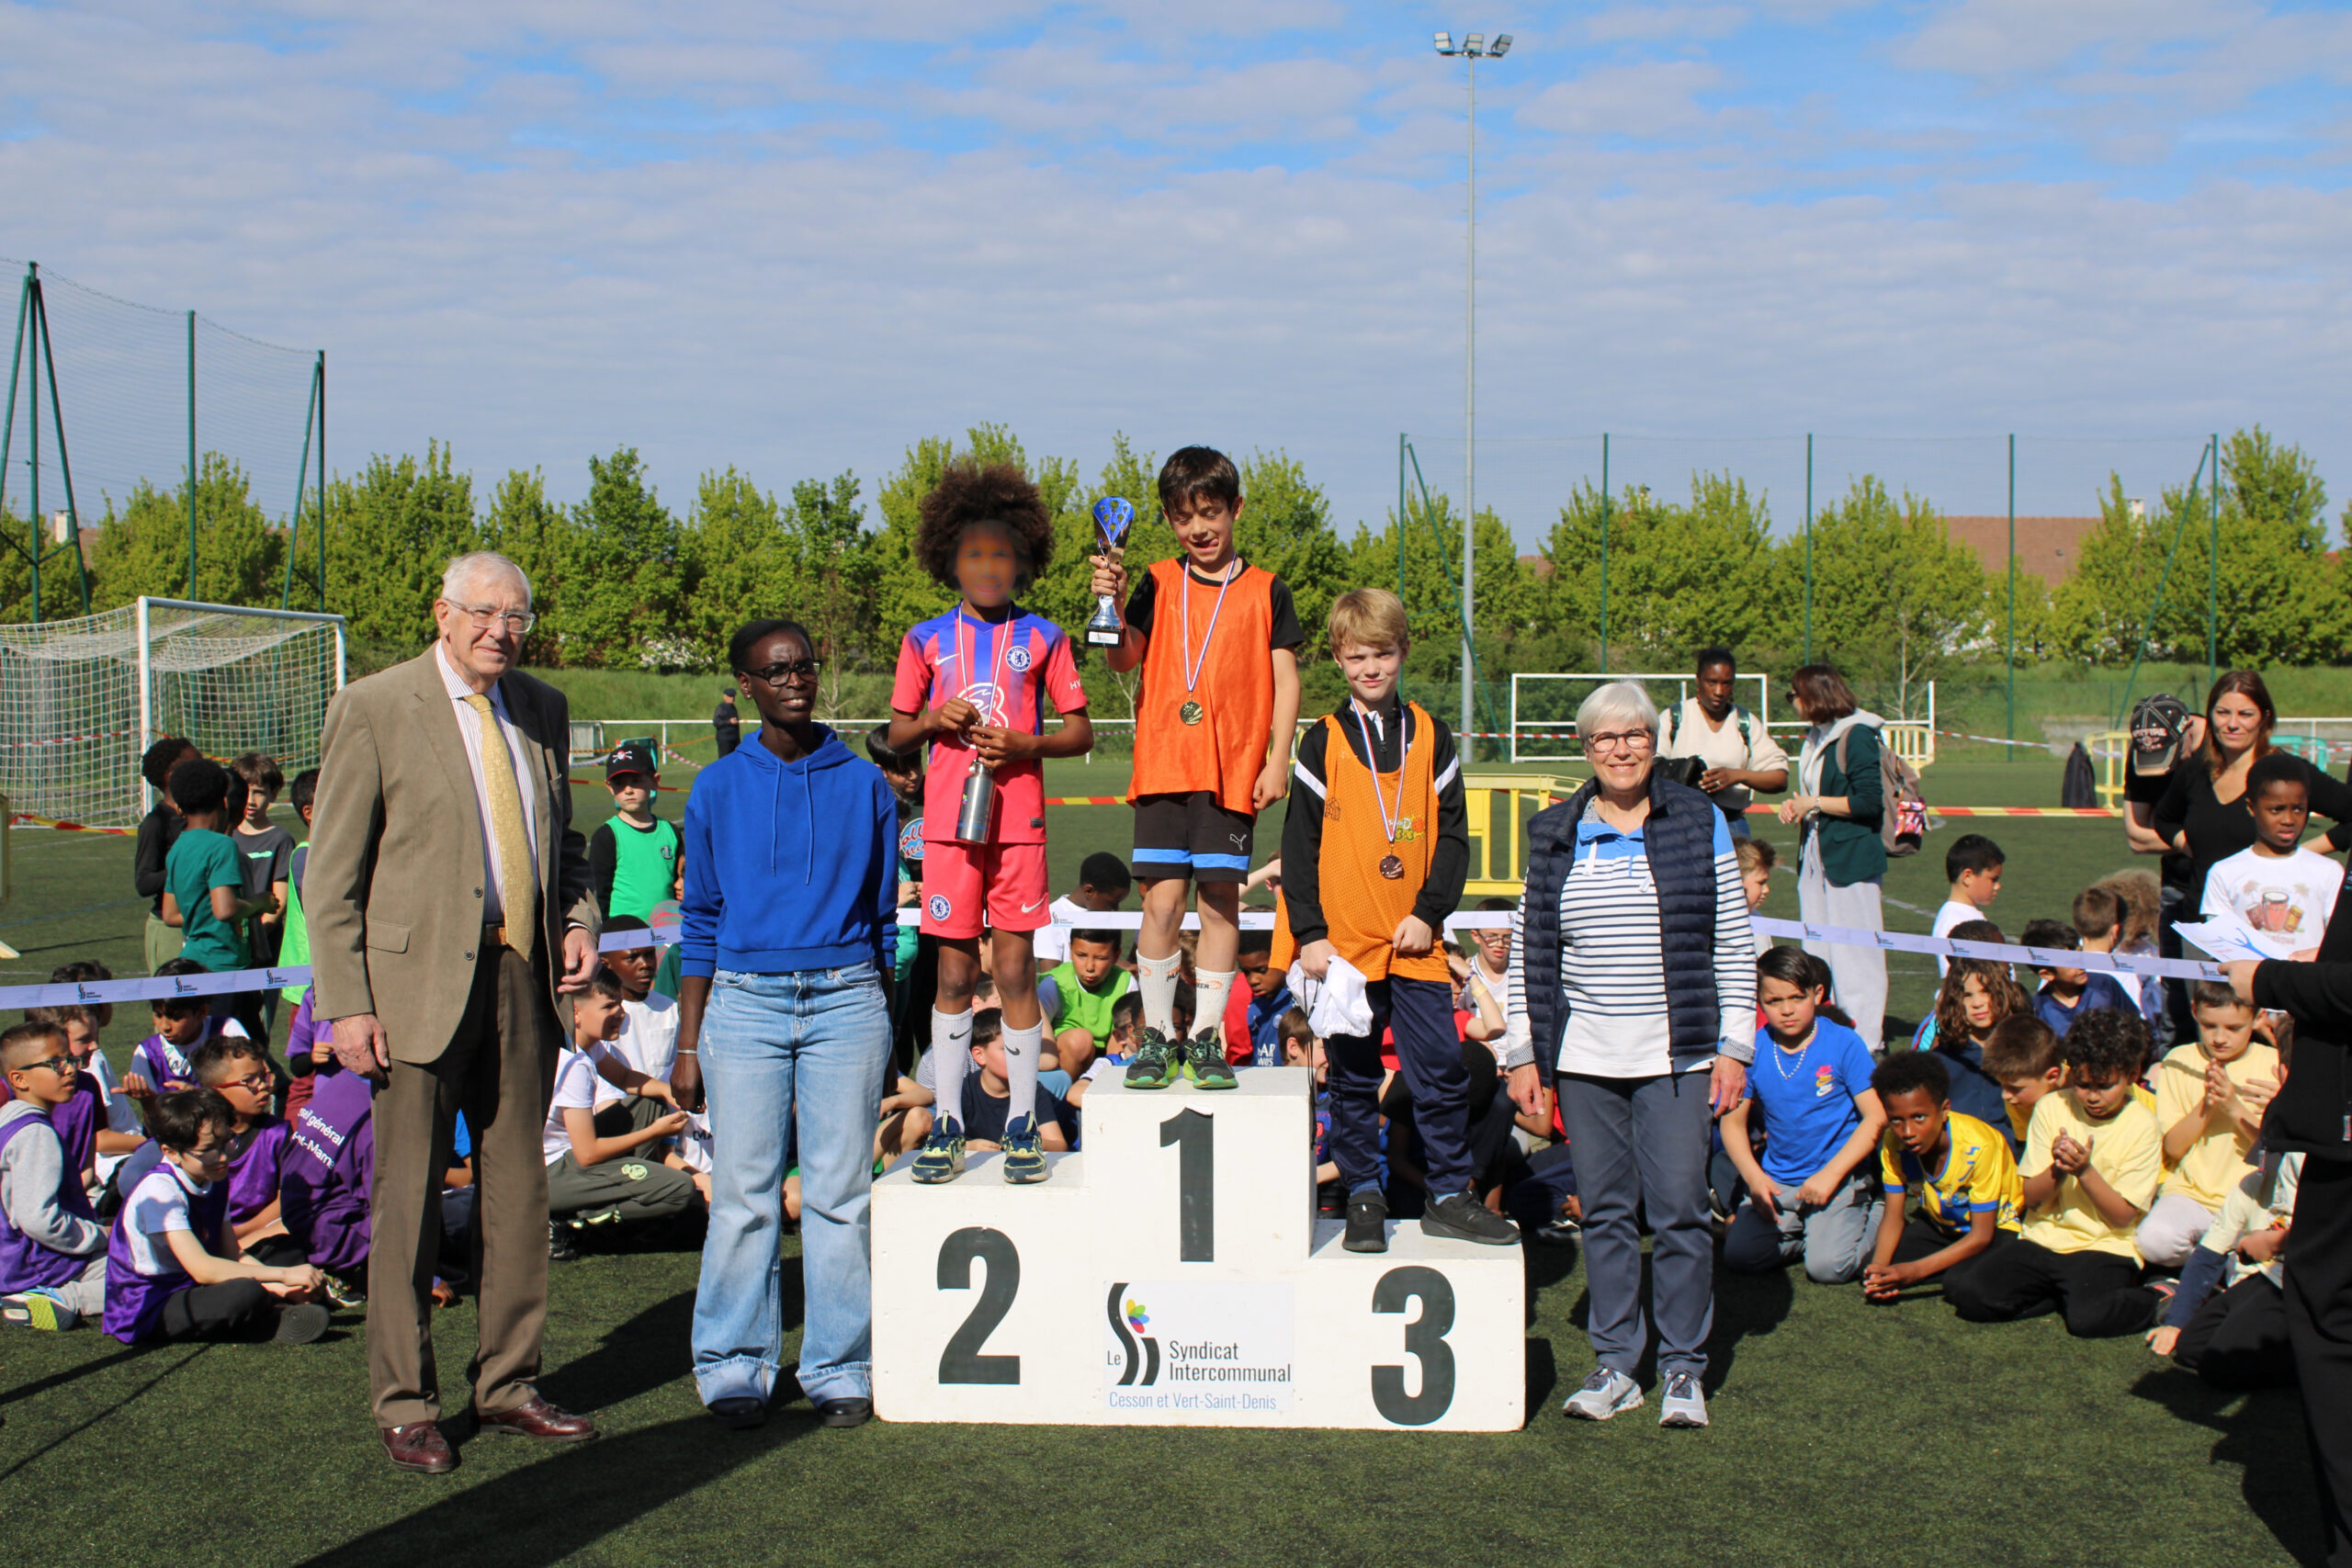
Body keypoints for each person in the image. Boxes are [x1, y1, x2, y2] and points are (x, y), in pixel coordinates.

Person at [305, 549, 605, 1473]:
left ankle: (508, 1384)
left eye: (515, 616)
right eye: (482, 612)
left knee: (518, 1192)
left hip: (522, 978)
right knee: (407, 1200)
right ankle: (406, 1403)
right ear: (442, 614)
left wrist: (579, 919)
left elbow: (562, 845)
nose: (499, 631)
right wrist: (347, 1005)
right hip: (411, 993)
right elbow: (332, 874)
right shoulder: (374, 705)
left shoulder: (543, 708)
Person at [1504, 680, 1753, 1427]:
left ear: (1654, 741)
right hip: (1584, 1057)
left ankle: (1682, 1366)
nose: (1622, 749)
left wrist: (1736, 1045)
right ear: (1586, 748)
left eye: (1635, 735)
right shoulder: (1554, 830)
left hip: (1679, 1054)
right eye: (1606, 738)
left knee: (1680, 1209)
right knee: (1607, 1212)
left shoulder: (1698, 819)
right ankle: (1616, 1362)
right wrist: (1523, 1051)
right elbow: (1530, 950)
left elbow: (1732, 940)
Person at [672, 617, 898, 1431]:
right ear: (747, 685)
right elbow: (700, 921)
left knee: (842, 1193)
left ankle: (839, 1363)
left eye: (804, 664)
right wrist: (688, 1042)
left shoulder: (865, 783)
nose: (795, 679)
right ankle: (734, 1361)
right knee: (743, 1192)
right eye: (777, 670)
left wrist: (884, 1021)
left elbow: (883, 920)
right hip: (742, 1004)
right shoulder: (715, 788)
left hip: (848, 999)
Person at [1277, 589, 1508, 1250]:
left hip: (1414, 942)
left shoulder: (1432, 735)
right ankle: (1362, 1195)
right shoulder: (1322, 740)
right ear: (1338, 659)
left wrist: (1429, 912)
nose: (1370, 668)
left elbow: (1455, 837)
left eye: (1382, 653)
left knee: (1439, 1070)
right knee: (1351, 1077)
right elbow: (1299, 843)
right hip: (1345, 947)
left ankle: (1449, 1193)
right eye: (1357, 657)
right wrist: (1311, 933)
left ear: (1403, 651)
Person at [886, 461, 1092, 1188]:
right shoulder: (924, 638)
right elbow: (896, 732)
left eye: (1001, 553)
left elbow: (1080, 730)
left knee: (1013, 970)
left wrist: (1028, 743)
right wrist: (931, 719)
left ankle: (1022, 1124)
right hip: (949, 827)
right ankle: (946, 1121)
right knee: (952, 970)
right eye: (973, 553)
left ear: (1022, 560)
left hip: (1017, 825)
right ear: (950, 559)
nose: (987, 566)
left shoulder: (1045, 636)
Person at [1093, 445, 1304, 1079]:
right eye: (1184, 518)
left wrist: (1278, 759)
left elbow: (1286, 681)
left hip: (1230, 772)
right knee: (1160, 905)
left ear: (1235, 508)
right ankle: (1158, 1037)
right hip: (1163, 764)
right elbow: (1122, 658)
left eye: (1210, 513)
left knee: (1218, 903)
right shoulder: (1157, 579)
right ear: (1167, 519)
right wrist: (1112, 605)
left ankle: (1207, 1037)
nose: (1199, 529)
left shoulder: (1267, 590)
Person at [1943, 1007, 2164, 1337]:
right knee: (1967, 1293)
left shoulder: (2143, 1125)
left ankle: (2158, 1296)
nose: (2092, 1096)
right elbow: (2032, 1198)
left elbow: (2122, 1218)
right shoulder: (2051, 1106)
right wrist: (2058, 1169)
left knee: (2088, 1321)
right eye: (2083, 1084)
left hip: (2104, 1246)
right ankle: (2060, 1294)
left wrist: (2084, 1171)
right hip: (2043, 1238)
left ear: (2132, 1074)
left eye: (2104, 1086)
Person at [102, 1088, 328, 1346]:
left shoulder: (214, 1177)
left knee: (287, 1251)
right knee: (246, 1291)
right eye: (208, 1150)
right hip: (151, 1304)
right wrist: (283, 1277)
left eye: (227, 1142)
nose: (223, 1157)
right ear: (171, 1152)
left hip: (192, 1284)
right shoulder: (160, 1190)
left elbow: (231, 1253)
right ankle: (264, 1317)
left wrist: (283, 1286)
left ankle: (272, 1306)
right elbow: (203, 1269)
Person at [2154, 670, 2352, 963]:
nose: (2232, 724)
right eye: (2222, 712)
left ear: (2265, 718)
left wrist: (2301, 854)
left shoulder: (2286, 772)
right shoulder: (2197, 770)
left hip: (2273, 941)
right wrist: (2190, 845)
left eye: (2245, 714)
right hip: (2204, 930)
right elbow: (2163, 819)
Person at [1719, 947, 1886, 1283]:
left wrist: (1831, 1175)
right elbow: (1732, 1123)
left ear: (1817, 993)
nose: (1787, 1010)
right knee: (1740, 1255)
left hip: (1838, 1178)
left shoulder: (1844, 1042)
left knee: (1828, 1268)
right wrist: (1755, 1178)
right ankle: (1813, 1233)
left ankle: (1879, 1210)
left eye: (1797, 997)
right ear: (1759, 1001)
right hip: (1779, 1180)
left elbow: (1876, 1117)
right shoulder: (1753, 1047)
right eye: (1774, 1001)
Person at [1776, 663, 1887, 1050]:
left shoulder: (1857, 734)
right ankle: (1828, 1029)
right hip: (1815, 855)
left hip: (1851, 857)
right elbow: (1815, 795)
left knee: (1857, 952)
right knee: (1818, 948)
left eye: (1794, 695)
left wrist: (1815, 803)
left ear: (1814, 695)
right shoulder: (1816, 735)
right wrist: (1800, 806)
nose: (1792, 702)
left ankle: (1867, 1039)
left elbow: (1869, 801)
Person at [545, 969, 695, 1251]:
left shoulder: (583, 1044)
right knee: (679, 1188)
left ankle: (623, 1188)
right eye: (608, 1006)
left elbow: (625, 1078)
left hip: (566, 1158)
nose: (621, 1013)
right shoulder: (574, 1064)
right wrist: (654, 1132)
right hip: (551, 1174)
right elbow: (587, 1154)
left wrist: (670, 1092)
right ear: (575, 1013)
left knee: (649, 1103)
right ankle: (570, 1219)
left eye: (619, 1004)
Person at [2138, 980, 2280, 1267]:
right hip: (2192, 1196)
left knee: (2259, 1260)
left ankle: (2212, 1269)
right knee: (2154, 1241)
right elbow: (2174, 1148)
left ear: (2257, 1018)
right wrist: (2208, 1104)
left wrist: (2234, 1107)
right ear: (2194, 1011)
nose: (2219, 1038)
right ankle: (2214, 1269)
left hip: (2253, 1200)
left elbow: (2274, 1152)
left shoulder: (2273, 1063)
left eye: (2233, 1028)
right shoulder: (2179, 1060)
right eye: (2209, 1025)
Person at [1860, 1051, 2022, 1303]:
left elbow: (1981, 1235)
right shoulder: (1893, 1143)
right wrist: (1880, 1269)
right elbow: (1893, 1217)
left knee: (1961, 1285)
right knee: (1868, 1267)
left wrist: (1914, 1272)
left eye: (1919, 1117)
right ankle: (1947, 1264)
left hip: (1995, 1231)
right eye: (1896, 1120)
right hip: (1941, 1227)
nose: (1908, 1132)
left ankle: (1957, 1267)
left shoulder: (1979, 1146)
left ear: (1944, 1109)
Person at [2148, 1150, 2300, 1390]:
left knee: (2221, 1368)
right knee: (2191, 1348)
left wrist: (2273, 1243)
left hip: (2297, 1286)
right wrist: (2176, 1322)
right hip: (2261, 1280)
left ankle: (2311, 1361)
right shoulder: (2254, 1182)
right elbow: (2210, 1253)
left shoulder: (2323, 1184)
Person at [161, 756, 277, 1043]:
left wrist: (203, 912)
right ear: (225, 801)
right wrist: (260, 902)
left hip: (193, 962)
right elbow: (225, 909)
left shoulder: (178, 847)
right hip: (226, 967)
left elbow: (170, 914)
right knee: (242, 1051)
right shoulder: (222, 846)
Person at [0, 1022, 108, 1329]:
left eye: (70, 1060)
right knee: (150, 1267)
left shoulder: (9, 1120)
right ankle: (63, 1298)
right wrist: (99, 1235)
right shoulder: (35, 1134)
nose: (70, 1069)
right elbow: (39, 1220)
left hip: (14, 1259)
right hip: (38, 1264)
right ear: (19, 1079)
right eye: (55, 1063)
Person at [2201, 751, 2339, 961]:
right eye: (2276, 810)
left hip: (2306, 981)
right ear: (2251, 807)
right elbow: (2218, 946)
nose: (2288, 820)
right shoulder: (2224, 872)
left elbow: (2339, 944)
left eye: (2298, 809)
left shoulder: (2329, 871)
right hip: (2248, 982)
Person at [1657, 645, 1787, 835]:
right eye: (1712, 682)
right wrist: (1684, 776)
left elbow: (1780, 778)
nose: (1719, 691)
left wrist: (1737, 775)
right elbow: (1648, 769)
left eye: (1726, 683)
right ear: (1698, 680)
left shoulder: (1745, 722)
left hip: (1731, 825)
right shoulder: (1674, 718)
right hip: (1680, 824)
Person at [913, 1008, 1077, 1154]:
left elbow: (1059, 1144)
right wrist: (967, 1147)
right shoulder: (964, 1091)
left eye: (1020, 1048)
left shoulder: (1033, 1090)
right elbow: (934, 1142)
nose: (1017, 1056)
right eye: (1007, 1049)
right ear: (979, 1055)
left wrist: (1029, 1142)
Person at [1913, 952, 2032, 1153]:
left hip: (2014, 1158)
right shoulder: (1942, 1059)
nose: (1977, 1003)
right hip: (1960, 1160)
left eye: (1986, 991)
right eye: (1967, 995)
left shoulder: (2024, 1048)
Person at [189, 1034, 291, 1257]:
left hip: (258, 1231)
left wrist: (242, 1232)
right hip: (204, 1235)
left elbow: (284, 1200)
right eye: (250, 1081)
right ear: (217, 1090)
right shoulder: (195, 1137)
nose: (262, 1086)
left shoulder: (278, 1133)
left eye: (263, 1076)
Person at [280, 1056, 377, 1292]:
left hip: (300, 1221)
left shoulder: (340, 1082)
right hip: (332, 1239)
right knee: (453, 1213)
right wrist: (427, 1277)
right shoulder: (373, 1114)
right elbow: (386, 1201)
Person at [587, 741, 683, 924]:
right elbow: (599, 893)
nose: (628, 790)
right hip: (624, 934)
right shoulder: (607, 835)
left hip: (667, 930)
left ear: (655, 781)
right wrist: (605, 933)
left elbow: (681, 882)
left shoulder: (670, 832)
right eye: (619, 784)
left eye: (636, 781)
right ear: (609, 787)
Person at [133, 736, 202, 975]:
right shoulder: (156, 823)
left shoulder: (202, 817)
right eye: (197, 762)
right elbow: (144, 882)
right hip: (170, 928)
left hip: (202, 922)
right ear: (172, 775)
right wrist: (182, 865)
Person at [230, 752, 295, 991]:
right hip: (231, 941)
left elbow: (280, 900)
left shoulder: (280, 839)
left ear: (273, 794)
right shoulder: (227, 836)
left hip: (265, 942)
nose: (250, 800)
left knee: (261, 1007)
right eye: (245, 792)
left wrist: (258, 936)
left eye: (258, 792)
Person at [2020, 919, 2136, 1039]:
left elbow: (2136, 1029)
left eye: (2080, 953)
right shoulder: (2038, 1011)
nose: (2081, 963)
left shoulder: (2105, 986)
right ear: (2047, 974)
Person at [1037, 930, 1132, 1076]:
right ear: (1070, 950)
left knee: (1124, 1036)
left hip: (1107, 1055)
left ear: (1116, 956)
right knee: (1080, 1041)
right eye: (1081, 955)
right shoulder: (1053, 984)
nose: (1089, 967)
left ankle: (1109, 1082)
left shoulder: (1126, 982)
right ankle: (1065, 1088)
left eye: (1100, 958)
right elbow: (1033, 1036)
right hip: (1063, 1058)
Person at [1031, 852, 1134, 967]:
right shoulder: (1052, 918)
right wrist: (1113, 969)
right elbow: (1050, 973)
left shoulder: (1103, 915)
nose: (1115, 910)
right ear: (1089, 891)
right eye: (1111, 904)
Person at [1984, 1013, 2065, 1152]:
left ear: (2052, 1076)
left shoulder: (2085, 1091)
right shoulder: (2018, 1104)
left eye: (2015, 1088)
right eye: (2002, 1085)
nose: (2005, 1095)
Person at [1932, 834, 2005, 977]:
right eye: (1993, 879)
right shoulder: (1954, 922)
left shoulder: (1965, 914)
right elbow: (1955, 978)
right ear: (1968, 877)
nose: (1998, 886)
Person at [1228, 930, 1293, 1067]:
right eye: (1246, 972)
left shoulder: (1299, 1003)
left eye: (1261, 970)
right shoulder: (1254, 1007)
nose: (1253, 980)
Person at [712, 688, 741, 758]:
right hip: (725, 739)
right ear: (725, 697)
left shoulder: (733, 707)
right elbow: (716, 722)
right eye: (730, 696)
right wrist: (729, 722)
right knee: (725, 759)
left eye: (733, 696)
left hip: (734, 738)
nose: (732, 698)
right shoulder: (721, 708)